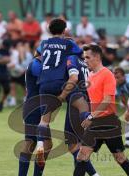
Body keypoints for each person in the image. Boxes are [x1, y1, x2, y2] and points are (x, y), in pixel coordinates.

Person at [52, 44, 129, 176]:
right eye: (84, 57)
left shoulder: (107, 74)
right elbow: (94, 100)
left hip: (108, 122)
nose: (85, 60)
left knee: (120, 158)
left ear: (97, 57)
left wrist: (91, 116)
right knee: (82, 156)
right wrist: (89, 115)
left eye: (88, 57)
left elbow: (108, 100)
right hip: (95, 123)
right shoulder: (90, 76)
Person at [36, 18, 83, 164]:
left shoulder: (44, 43)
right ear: (64, 30)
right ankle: (79, 135)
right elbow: (80, 55)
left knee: (44, 119)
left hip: (44, 82)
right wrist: (70, 39)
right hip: (61, 82)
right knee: (76, 105)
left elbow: (37, 56)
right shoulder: (69, 43)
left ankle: (39, 146)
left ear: (50, 30)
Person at [64, 53, 105, 176]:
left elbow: (73, 78)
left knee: (71, 143)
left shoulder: (71, 59)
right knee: (77, 144)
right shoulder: (83, 62)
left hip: (76, 101)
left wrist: (61, 95)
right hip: (85, 100)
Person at [15, 48, 52, 176]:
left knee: (37, 143)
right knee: (33, 143)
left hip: (36, 107)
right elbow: (45, 80)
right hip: (34, 108)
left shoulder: (36, 63)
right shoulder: (36, 64)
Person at [0, 39, 11, 111]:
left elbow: (8, 60)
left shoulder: (6, 51)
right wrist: (3, 60)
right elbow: (6, 60)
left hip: (4, 73)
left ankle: (1, 103)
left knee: (7, 89)